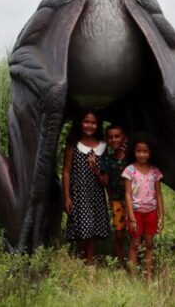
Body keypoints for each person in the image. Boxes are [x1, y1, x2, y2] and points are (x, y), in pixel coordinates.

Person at [62, 109, 111, 263]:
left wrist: (95, 169)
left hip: (96, 193)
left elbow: (105, 175)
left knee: (93, 229)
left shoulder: (103, 146)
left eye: (93, 122)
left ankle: (89, 261)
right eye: (86, 121)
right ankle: (79, 259)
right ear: (80, 123)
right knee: (83, 227)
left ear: (98, 125)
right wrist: (67, 197)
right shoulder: (73, 145)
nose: (89, 125)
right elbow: (66, 172)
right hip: (79, 193)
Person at [122, 132, 164, 279]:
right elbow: (127, 194)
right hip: (136, 212)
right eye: (138, 151)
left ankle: (149, 275)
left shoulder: (155, 171)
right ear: (133, 152)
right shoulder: (129, 171)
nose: (142, 154)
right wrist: (132, 217)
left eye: (145, 151)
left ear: (150, 152)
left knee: (149, 244)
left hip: (151, 212)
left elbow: (158, 194)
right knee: (134, 244)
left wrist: (161, 215)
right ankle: (132, 276)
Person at [90, 124, 128, 265]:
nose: (114, 140)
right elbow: (105, 182)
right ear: (107, 140)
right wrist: (95, 169)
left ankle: (136, 261)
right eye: (110, 137)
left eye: (117, 136)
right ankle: (121, 263)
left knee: (136, 232)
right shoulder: (107, 160)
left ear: (124, 138)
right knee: (119, 234)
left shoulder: (131, 158)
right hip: (117, 201)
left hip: (134, 201)